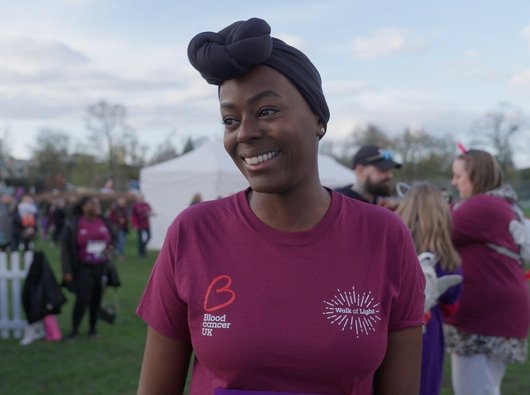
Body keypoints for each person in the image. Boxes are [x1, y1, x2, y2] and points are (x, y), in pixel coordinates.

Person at [136, 17, 425, 395]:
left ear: (318, 119)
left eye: (267, 111)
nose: (246, 132)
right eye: (230, 119)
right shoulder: (193, 233)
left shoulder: (385, 237)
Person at [444, 149, 530, 395]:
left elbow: (434, 231)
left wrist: (417, 203)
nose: (454, 182)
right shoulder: (500, 204)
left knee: (474, 390)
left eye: (459, 176)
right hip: (496, 313)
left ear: (476, 176)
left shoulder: (481, 205)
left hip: (485, 317)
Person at [396, 182, 463, 395]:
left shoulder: (391, 244)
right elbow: (452, 300)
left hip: (392, 323)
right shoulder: (447, 257)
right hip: (427, 328)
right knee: (423, 382)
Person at [61, 196, 115, 340]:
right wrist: (66, 270)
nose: (96, 206)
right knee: (83, 298)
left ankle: (92, 328)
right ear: (83, 207)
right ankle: (74, 330)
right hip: (83, 267)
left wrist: (109, 249)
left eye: (97, 204)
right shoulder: (74, 223)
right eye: (92, 204)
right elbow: (65, 249)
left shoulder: (103, 221)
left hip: (101, 267)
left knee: (97, 299)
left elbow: (112, 239)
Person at [335, 144, 401, 210]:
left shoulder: (384, 204)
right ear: (360, 171)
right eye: (383, 169)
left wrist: (399, 206)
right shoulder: (338, 202)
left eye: (390, 170)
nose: (390, 175)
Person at [131, 193, 152, 258]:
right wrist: (134, 224)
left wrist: (149, 214)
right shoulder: (135, 205)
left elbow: (150, 211)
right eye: (140, 197)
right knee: (141, 239)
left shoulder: (146, 204)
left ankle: (143, 249)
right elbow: (133, 216)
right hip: (140, 225)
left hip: (146, 224)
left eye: (142, 197)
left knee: (149, 236)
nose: (141, 199)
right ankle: (141, 253)